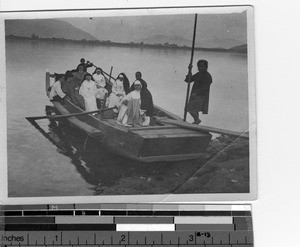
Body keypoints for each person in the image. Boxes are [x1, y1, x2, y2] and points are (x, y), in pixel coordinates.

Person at [185, 59, 213, 124]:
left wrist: (196, 94)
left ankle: (197, 120)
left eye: (202, 66)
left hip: (201, 96)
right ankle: (196, 121)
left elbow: (205, 88)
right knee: (194, 110)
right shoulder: (198, 74)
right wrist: (189, 70)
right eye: (199, 67)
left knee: (190, 109)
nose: (201, 68)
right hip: (195, 95)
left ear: (206, 67)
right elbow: (188, 80)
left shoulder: (208, 76)